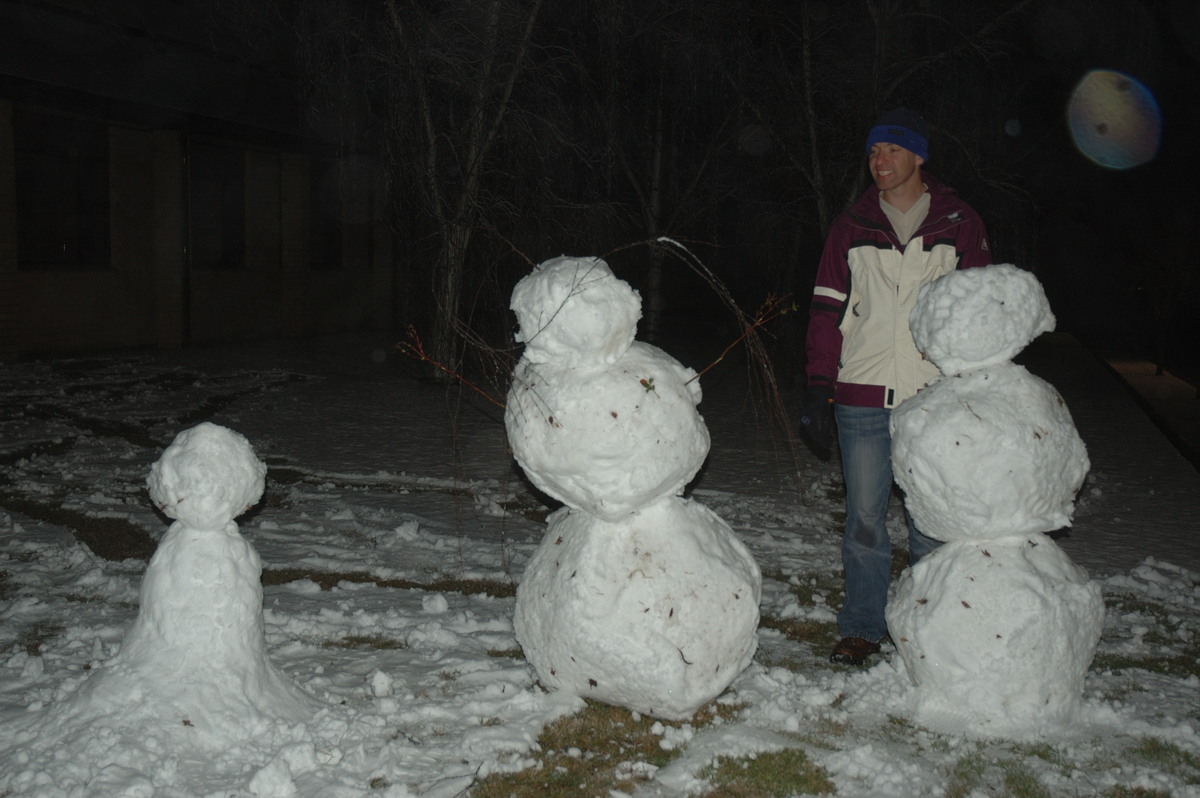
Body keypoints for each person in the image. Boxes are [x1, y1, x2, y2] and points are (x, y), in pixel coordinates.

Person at [799, 107, 991, 666]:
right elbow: (825, 309)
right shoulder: (851, 226)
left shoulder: (960, 223)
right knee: (864, 520)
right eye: (873, 152)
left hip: (933, 399)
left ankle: (927, 628)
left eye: (891, 151)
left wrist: (976, 387)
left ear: (918, 157)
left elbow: (981, 313)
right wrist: (818, 382)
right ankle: (861, 626)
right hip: (861, 396)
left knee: (929, 521)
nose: (878, 162)